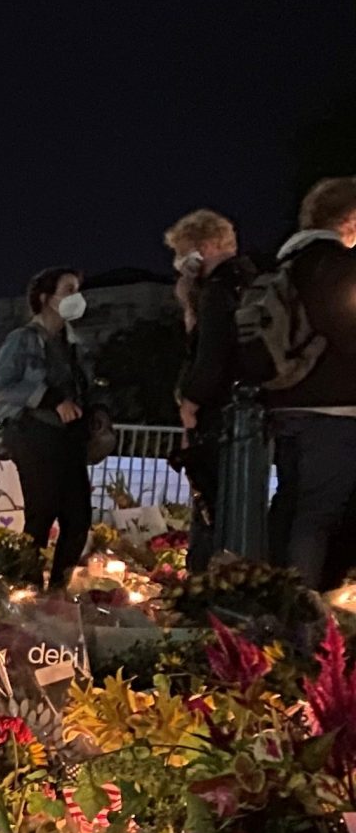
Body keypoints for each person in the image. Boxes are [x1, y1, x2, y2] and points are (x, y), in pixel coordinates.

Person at [264, 178, 356, 587]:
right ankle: (302, 617)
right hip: (332, 408)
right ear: (349, 220)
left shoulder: (287, 264)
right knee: (319, 513)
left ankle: (272, 601)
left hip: (285, 403)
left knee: (289, 505)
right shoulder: (337, 266)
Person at [166, 209, 259, 572]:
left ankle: (205, 581)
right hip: (243, 411)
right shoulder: (249, 284)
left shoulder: (217, 291)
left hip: (217, 415)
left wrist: (191, 400)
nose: (180, 262)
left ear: (205, 246)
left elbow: (211, 354)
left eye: (184, 250)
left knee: (209, 505)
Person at [0, 267, 94, 591]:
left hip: (68, 439)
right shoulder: (23, 339)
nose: (75, 297)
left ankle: (58, 590)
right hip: (33, 435)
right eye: (68, 289)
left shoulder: (73, 344)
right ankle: (30, 588)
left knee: (78, 518)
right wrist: (50, 399)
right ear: (46, 298)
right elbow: (1, 387)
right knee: (42, 513)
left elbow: (83, 387)